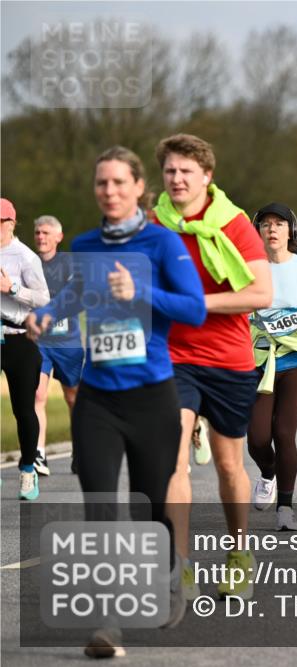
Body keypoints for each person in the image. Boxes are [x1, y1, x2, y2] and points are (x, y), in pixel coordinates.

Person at [26, 146, 207, 654]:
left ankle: (169, 573)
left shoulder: (162, 242)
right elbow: (75, 293)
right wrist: (48, 313)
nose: (109, 191)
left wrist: (140, 293)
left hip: (152, 397)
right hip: (99, 399)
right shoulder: (85, 244)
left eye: (119, 182)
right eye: (102, 183)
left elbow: (194, 309)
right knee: (100, 509)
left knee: (149, 508)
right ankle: (108, 623)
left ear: (139, 188)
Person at [154, 133, 272, 602]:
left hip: (228, 359)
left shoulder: (234, 224)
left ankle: (239, 553)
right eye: (170, 170)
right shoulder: (153, 225)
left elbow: (260, 294)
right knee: (172, 461)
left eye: (186, 171)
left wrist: (196, 304)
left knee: (228, 465)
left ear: (206, 176)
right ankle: (179, 566)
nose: (177, 178)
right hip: (173, 358)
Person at [247, 204, 297, 531]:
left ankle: (285, 507)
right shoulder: (247, 268)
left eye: (279, 224)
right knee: (257, 438)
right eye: (265, 224)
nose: (272, 230)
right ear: (257, 231)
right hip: (260, 360)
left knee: (283, 432)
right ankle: (268, 472)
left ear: (291, 230)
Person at [0, 197, 49, 500]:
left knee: (23, 409)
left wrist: (12, 288)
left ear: (11, 223)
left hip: (18, 338)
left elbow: (44, 298)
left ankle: (28, 470)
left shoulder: (25, 257)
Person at [32, 215, 84, 476]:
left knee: (73, 397)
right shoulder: (29, 262)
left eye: (45, 232)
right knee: (37, 395)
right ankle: (38, 454)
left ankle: (80, 449)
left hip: (68, 342)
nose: (41, 237)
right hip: (39, 342)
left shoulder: (69, 263)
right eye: (37, 233)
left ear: (58, 237)